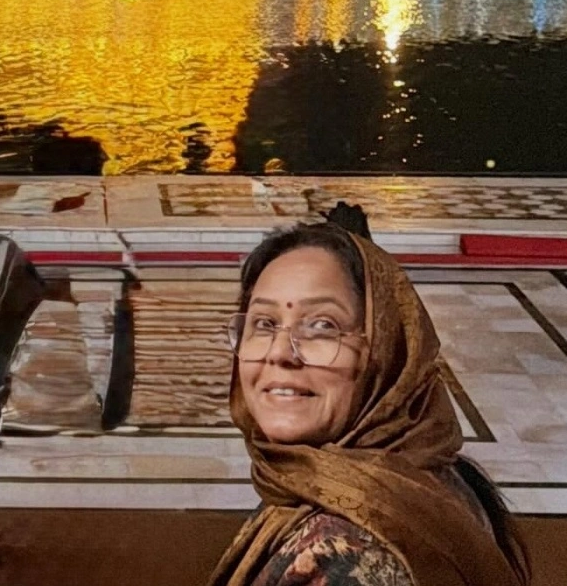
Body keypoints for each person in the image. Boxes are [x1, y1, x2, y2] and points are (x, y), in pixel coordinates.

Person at [210, 223, 530, 586]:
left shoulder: (344, 553)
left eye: (322, 326)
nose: (281, 353)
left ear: (384, 351)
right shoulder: (404, 473)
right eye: (264, 323)